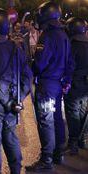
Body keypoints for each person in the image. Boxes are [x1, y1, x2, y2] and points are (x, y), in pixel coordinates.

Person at [0, 9, 33, 174]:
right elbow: (27, 76)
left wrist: (8, 99)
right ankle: (16, 169)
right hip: (12, 104)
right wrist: (18, 97)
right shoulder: (16, 49)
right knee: (10, 137)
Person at [26, 1, 74, 171]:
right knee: (57, 119)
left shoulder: (47, 36)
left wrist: (30, 65)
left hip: (47, 84)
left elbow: (40, 63)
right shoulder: (64, 36)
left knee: (46, 121)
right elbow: (70, 63)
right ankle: (58, 154)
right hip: (59, 84)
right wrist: (66, 81)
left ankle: (46, 160)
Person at [64, 17, 88, 155]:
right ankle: (82, 140)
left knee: (73, 112)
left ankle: (73, 142)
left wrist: (66, 82)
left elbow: (69, 66)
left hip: (74, 83)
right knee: (83, 112)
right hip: (86, 84)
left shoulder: (72, 46)